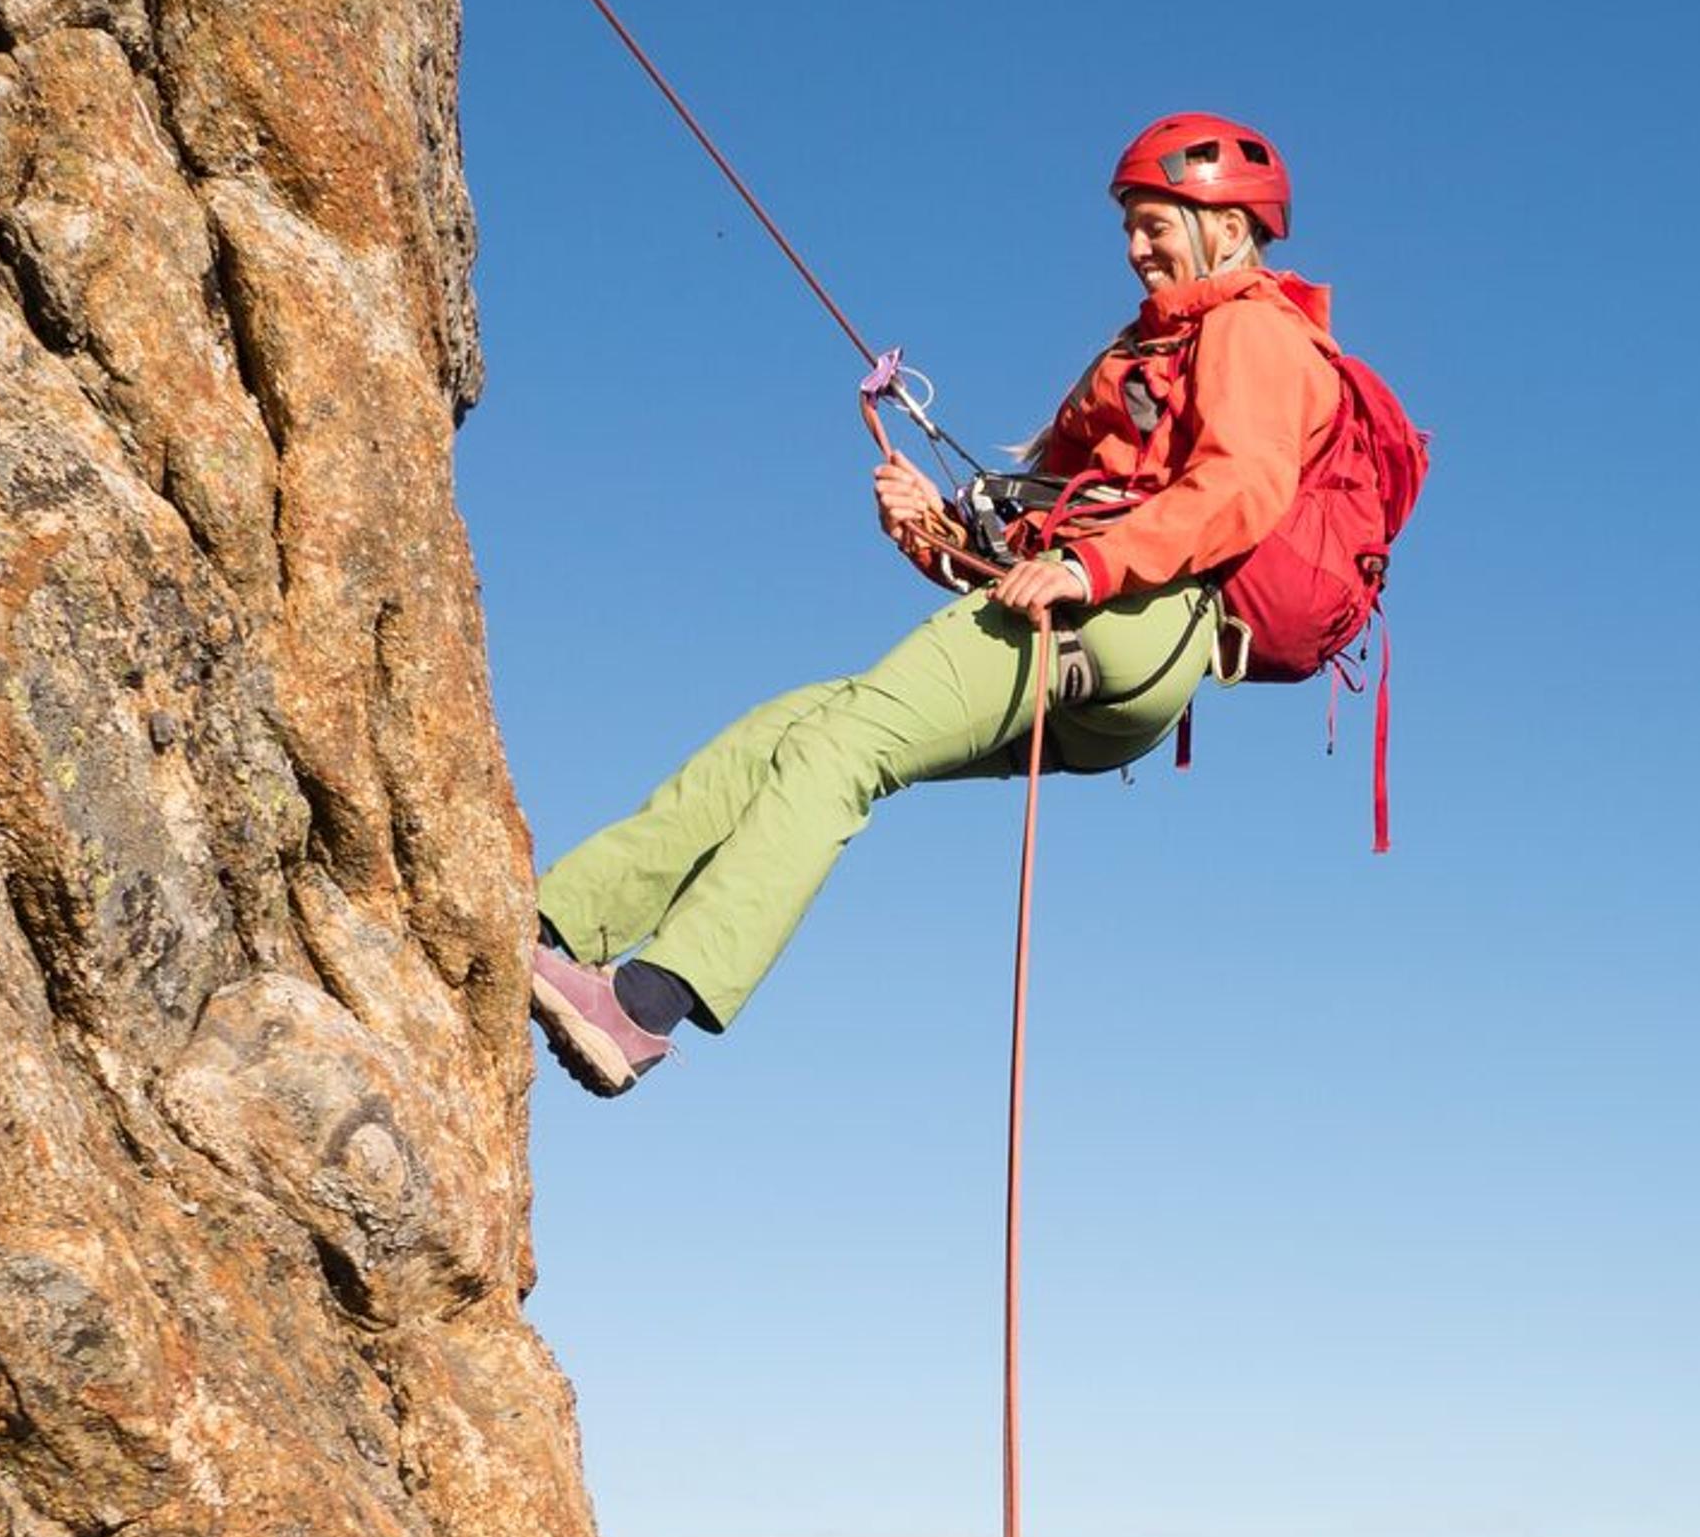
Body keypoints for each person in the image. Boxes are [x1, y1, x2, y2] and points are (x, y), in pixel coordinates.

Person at [527, 112, 1343, 1095]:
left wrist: (1090, 572)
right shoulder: (1158, 351)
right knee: (786, 732)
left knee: (842, 749)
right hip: (1119, 649)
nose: (1134, 247)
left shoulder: (1252, 328)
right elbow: (1030, 551)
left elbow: (1243, 486)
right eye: (1129, 223)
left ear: (1226, 223)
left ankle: (642, 1006)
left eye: (1155, 223)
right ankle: (553, 923)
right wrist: (934, 535)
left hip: (1126, 614)